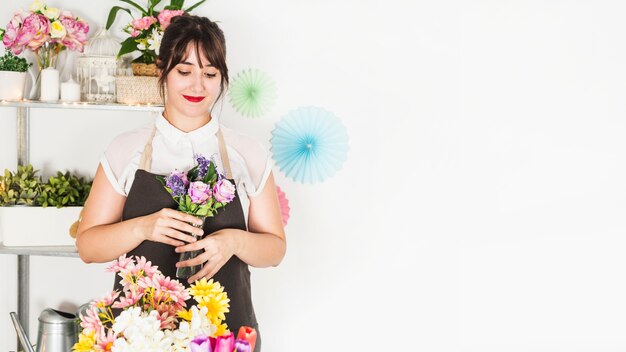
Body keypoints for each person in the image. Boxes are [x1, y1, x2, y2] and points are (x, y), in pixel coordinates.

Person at [76, 15, 286, 351]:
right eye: (184, 71)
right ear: (162, 71)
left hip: (225, 333)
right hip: (142, 334)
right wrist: (143, 228)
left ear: (222, 78)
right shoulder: (126, 148)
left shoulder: (246, 152)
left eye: (210, 74)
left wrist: (233, 242)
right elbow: (87, 247)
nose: (197, 86)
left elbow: (275, 249)